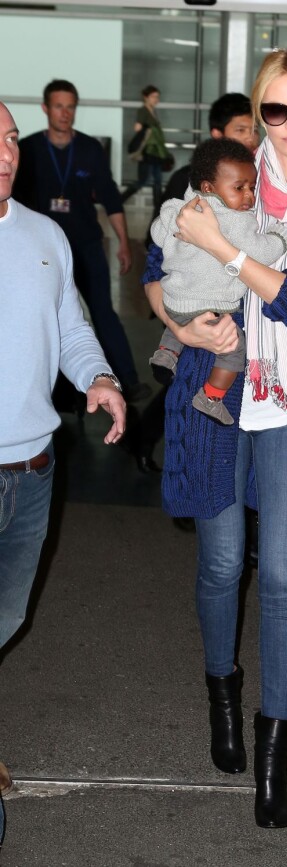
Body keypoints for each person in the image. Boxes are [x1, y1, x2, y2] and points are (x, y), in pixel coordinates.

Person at [143, 47, 287, 828]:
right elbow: (155, 262)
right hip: (217, 390)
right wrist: (181, 322)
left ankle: (273, 757)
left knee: (280, 575)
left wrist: (225, 251)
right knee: (217, 563)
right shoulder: (217, 175)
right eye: (274, 111)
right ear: (259, 113)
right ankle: (222, 694)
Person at [0, 100, 126, 842]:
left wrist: (99, 378)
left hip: (36, 470)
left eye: (12, 140)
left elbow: (73, 327)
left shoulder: (45, 236)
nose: (8, 152)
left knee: (9, 617)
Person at [13, 79, 150, 403]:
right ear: (46, 108)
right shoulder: (30, 149)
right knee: (43, 316)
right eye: (59, 106)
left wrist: (124, 243)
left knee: (102, 312)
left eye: (70, 106)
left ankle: (125, 381)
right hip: (42, 251)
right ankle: (54, 392)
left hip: (86, 245)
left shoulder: (89, 149)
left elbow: (110, 199)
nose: (65, 113)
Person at [149, 137, 287, 425]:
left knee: (181, 316)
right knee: (235, 348)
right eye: (239, 188)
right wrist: (281, 235)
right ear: (209, 187)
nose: (248, 196)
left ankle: (165, 353)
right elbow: (262, 252)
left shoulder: (180, 208)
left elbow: (157, 235)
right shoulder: (237, 221)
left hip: (173, 301)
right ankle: (211, 396)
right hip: (211, 309)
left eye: (252, 187)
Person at [121, 85, 172, 211]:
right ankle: (119, 200)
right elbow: (137, 128)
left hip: (155, 151)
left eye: (157, 97)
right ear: (146, 97)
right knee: (142, 181)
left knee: (158, 180)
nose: (156, 99)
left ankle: (158, 206)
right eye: (153, 96)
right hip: (147, 152)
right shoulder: (143, 111)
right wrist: (145, 128)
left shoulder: (153, 111)